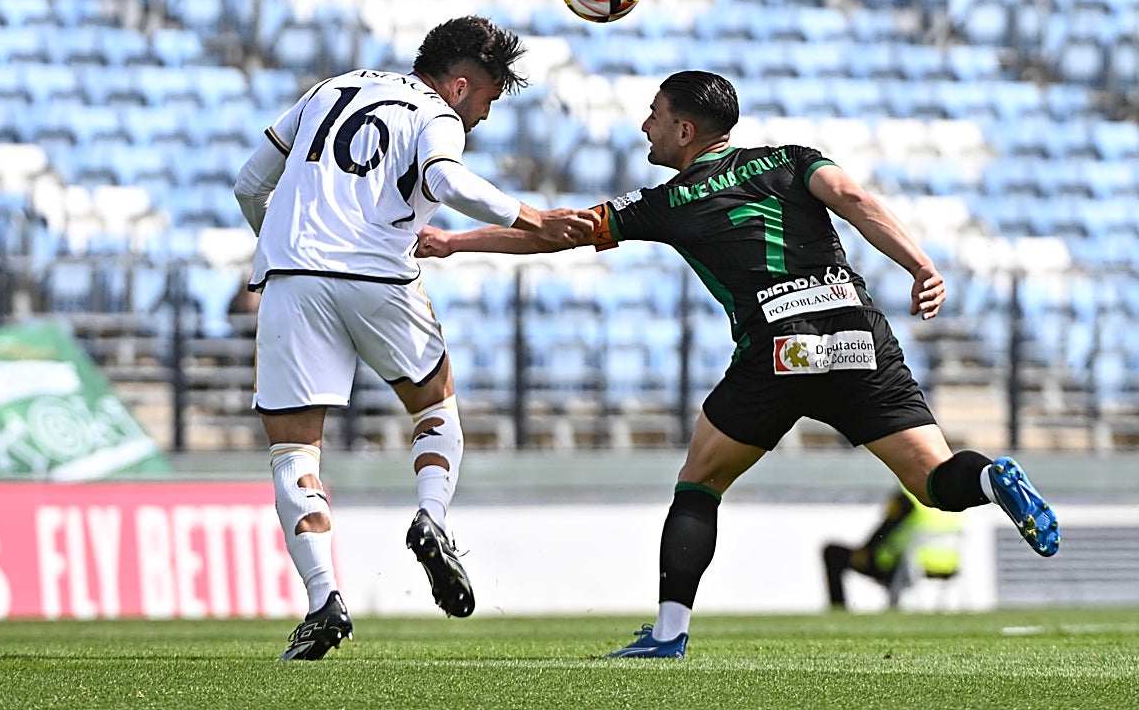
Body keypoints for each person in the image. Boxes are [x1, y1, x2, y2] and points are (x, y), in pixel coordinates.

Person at [415, 70, 1060, 659]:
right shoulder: (792, 159)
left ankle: (668, 634)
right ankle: (991, 480)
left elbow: (557, 232)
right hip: (855, 334)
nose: (646, 126)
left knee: (700, 482)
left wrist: (452, 240)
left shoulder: (668, 202)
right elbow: (854, 197)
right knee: (936, 482)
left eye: (655, 115)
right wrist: (920, 266)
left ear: (685, 130)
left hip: (779, 345)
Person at [233, 15, 596, 661]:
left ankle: (323, 602)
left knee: (294, 454)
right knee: (435, 409)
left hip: (291, 278)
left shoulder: (329, 89)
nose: (482, 117)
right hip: (379, 274)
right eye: (485, 99)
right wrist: (533, 214)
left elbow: (248, 182)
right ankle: (432, 517)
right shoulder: (437, 114)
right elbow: (447, 182)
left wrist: (281, 248)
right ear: (459, 85)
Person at [823, 485, 962, 610]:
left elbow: (886, 530)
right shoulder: (954, 498)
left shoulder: (908, 496)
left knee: (832, 553)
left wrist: (865, 550)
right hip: (948, 564)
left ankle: (838, 608)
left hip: (903, 564)